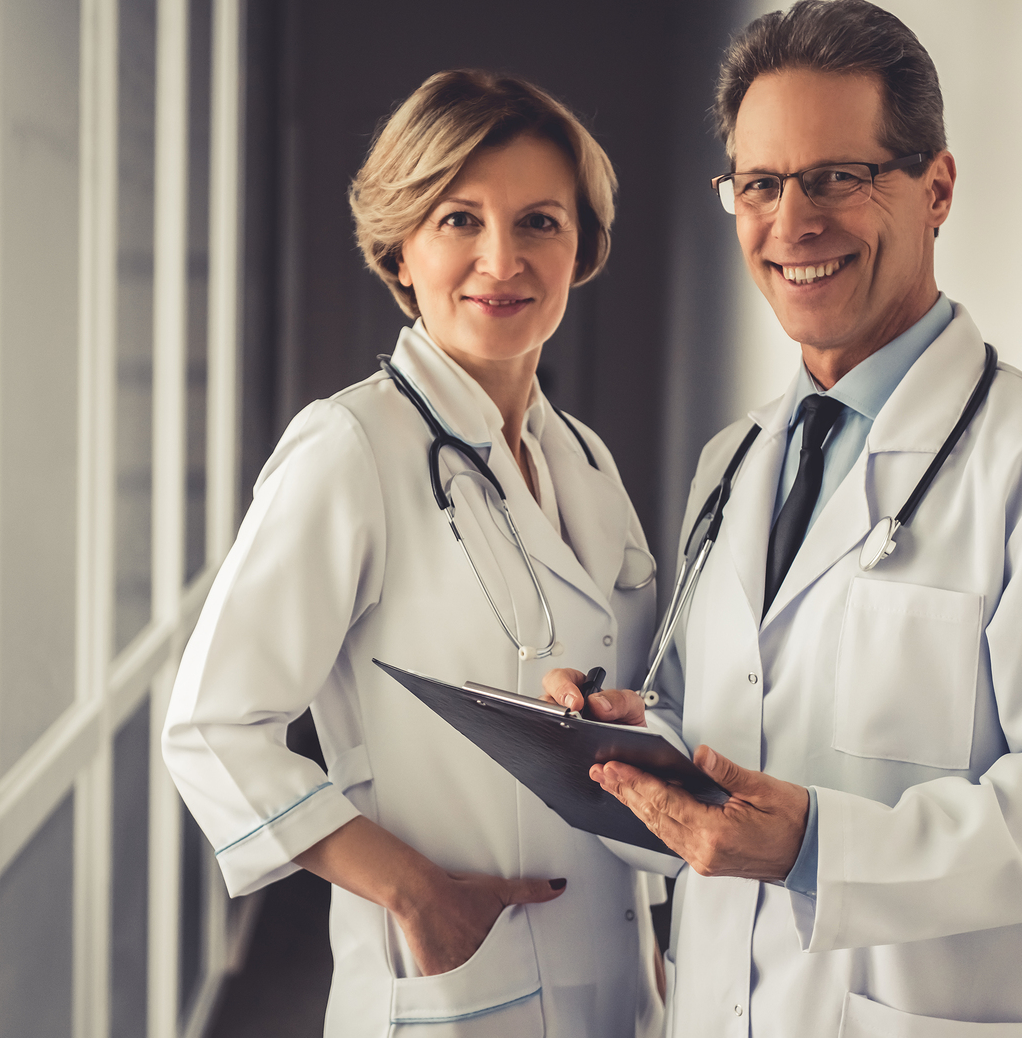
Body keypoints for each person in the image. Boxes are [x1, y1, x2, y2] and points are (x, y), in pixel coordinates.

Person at [544, 0, 1022, 1038]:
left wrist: (820, 847)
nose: (792, 222)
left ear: (935, 188)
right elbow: (728, 725)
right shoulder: (735, 462)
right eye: (759, 184)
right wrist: (638, 737)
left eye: (838, 178)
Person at [163, 70, 664, 1037]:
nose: (501, 259)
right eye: (458, 220)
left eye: (540, 223)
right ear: (401, 247)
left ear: (583, 247)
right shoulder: (350, 447)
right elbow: (212, 727)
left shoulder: (584, 458)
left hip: (617, 980)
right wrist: (416, 894)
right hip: (463, 991)